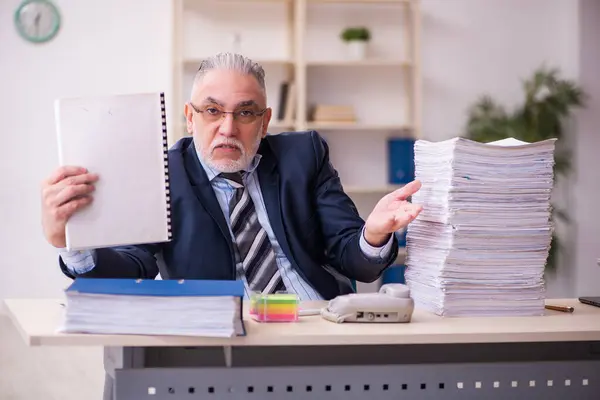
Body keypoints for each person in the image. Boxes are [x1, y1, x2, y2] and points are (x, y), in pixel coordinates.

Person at [41, 52, 423, 302]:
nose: (227, 128)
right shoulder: (164, 171)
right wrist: (72, 243)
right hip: (218, 335)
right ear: (190, 118)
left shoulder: (303, 155)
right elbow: (131, 267)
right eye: (212, 110)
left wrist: (374, 232)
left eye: (245, 113)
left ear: (265, 121)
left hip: (314, 321)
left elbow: (355, 260)